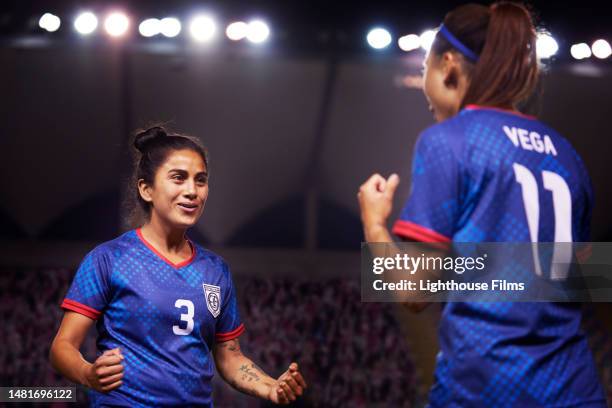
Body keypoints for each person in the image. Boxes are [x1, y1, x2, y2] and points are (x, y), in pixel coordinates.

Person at [358, 2, 606, 407]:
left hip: (485, 389)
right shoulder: (567, 154)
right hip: (575, 390)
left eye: (425, 68)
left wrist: (374, 225)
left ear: (449, 65)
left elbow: (413, 294)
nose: (424, 86)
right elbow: (587, 281)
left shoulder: (451, 141)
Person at [50, 126, 307, 406]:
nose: (192, 191)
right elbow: (62, 347)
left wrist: (270, 387)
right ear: (146, 189)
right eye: (178, 178)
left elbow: (230, 357)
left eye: (201, 180)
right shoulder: (109, 259)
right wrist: (88, 373)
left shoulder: (215, 270)